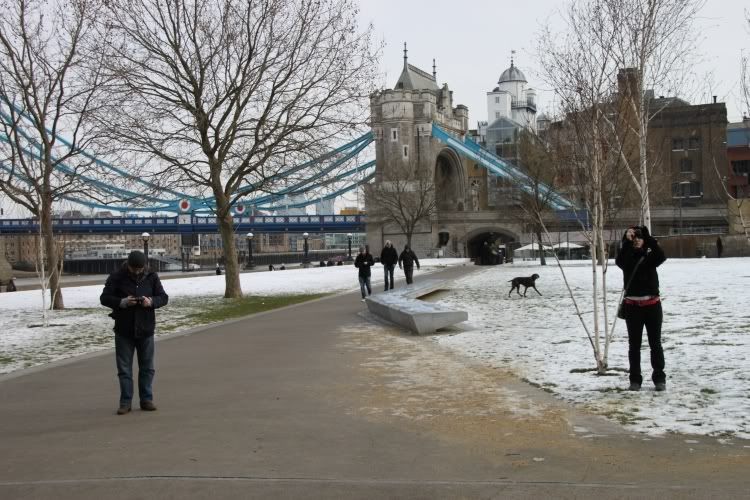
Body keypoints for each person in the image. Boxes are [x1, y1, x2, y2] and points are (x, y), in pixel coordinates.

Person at [100, 250, 169, 415]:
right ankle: (125, 402)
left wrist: (151, 302)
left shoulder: (152, 276)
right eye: (134, 269)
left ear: (144, 266)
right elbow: (104, 298)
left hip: (146, 328)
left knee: (147, 367)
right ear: (128, 265)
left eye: (139, 269)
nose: (137, 272)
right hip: (124, 329)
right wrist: (122, 302)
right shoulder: (116, 276)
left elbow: (163, 297)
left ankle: (146, 399)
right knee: (124, 369)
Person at [615, 226, 667, 392]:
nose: (637, 239)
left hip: (652, 306)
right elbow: (620, 261)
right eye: (634, 237)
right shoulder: (627, 257)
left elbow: (661, 255)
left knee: (655, 344)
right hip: (633, 307)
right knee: (634, 345)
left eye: (639, 237)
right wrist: (626, 241)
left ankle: (659, 379)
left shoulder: (650, 257)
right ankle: (635, 380)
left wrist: (648, 236)